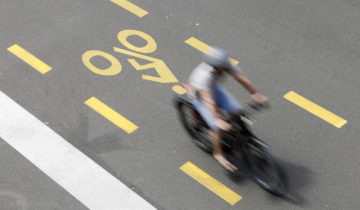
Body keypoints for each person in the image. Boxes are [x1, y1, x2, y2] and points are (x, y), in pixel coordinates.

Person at [188, 47, 268, 172]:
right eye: (223, 68)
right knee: (218, 127)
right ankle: (218, 154)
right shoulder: (203, 77)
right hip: (201, 96)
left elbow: (240, 77)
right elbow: (208, 100)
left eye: (226, 66)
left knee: (238, 111)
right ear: (215, 68)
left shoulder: (224, 64)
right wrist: (216, 119)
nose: (226, 69)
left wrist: (255, 93)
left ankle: (246, 136)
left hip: (214, 89)